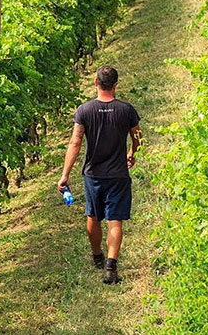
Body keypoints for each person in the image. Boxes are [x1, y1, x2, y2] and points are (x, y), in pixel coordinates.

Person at [57, 64, 141, 285]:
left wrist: (65, 175)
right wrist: (132, 152)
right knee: (115, 221)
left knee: (93, 216)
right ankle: (111, 266)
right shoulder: (127, 110)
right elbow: (138, 136)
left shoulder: (84, 111)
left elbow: (75, 142)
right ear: (115, 86)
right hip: (118, 175)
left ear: (96, 83)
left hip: (92, 175)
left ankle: (97, 256)